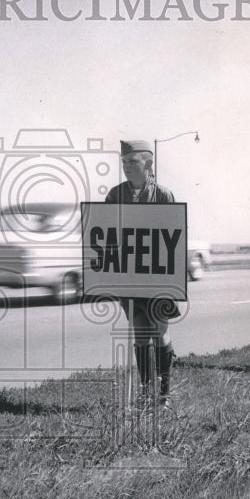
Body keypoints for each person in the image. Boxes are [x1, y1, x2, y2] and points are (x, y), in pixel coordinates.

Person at [105, 139, 180, 406]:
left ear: (148, 164)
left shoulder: (163, 195)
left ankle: (164, 393)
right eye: (124, 162)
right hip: (129, 277)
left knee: (159, 331)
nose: (126, 167)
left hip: (158, 277)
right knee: (140, 332)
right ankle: (146, 392)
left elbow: (172, 238)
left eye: (132, 162)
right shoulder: (115, 195)